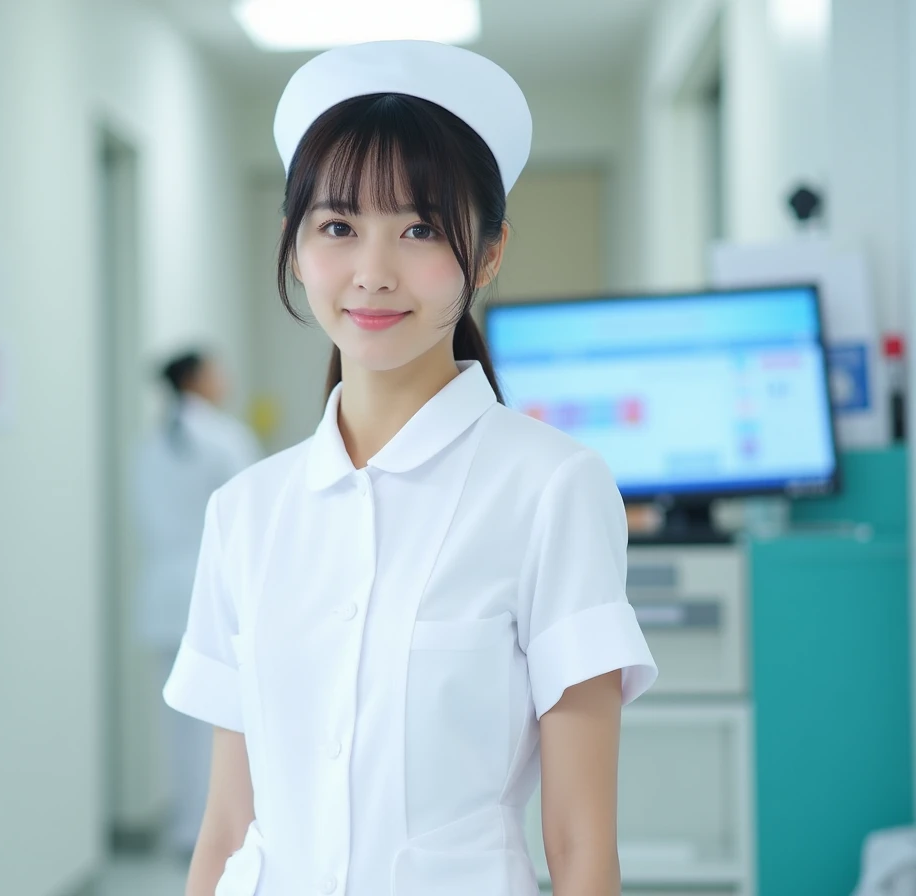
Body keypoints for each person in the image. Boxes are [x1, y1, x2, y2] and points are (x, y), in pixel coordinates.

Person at [163, 40, 658, 896]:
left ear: (489, 252)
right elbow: (226, 827)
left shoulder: (552, 490)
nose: (373, 273)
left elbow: (580, 845)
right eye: (338, 226)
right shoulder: (245, 511)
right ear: (295, 244)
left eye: (421, 228)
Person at [134, 349, 262, 860]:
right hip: (213, 588)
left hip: (162, 589)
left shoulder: (148, 445)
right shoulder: (225, 437)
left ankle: (187, 827)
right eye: (216, 369)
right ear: (195, 379)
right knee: (225, 718)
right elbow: (251, 516)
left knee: (178, 719)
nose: (224, 377)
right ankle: (216, 828)